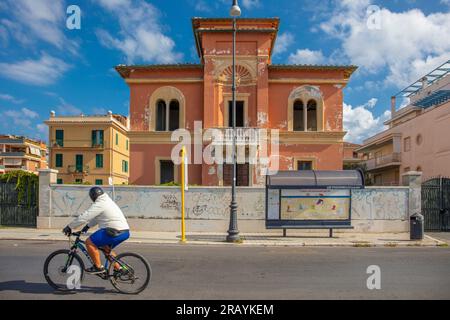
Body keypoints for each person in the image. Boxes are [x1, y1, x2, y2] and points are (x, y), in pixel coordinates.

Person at [62, 187, 130, 274]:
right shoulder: (107, 201)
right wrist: (87, 227)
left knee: (89, 242)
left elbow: (86, 215)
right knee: (106, 249)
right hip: (124, 232)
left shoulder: (101, 203)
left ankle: (98, 267)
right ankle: (119, 268)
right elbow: (97, 218)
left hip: (114, 230)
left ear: (93, 196)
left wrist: (69, 226)